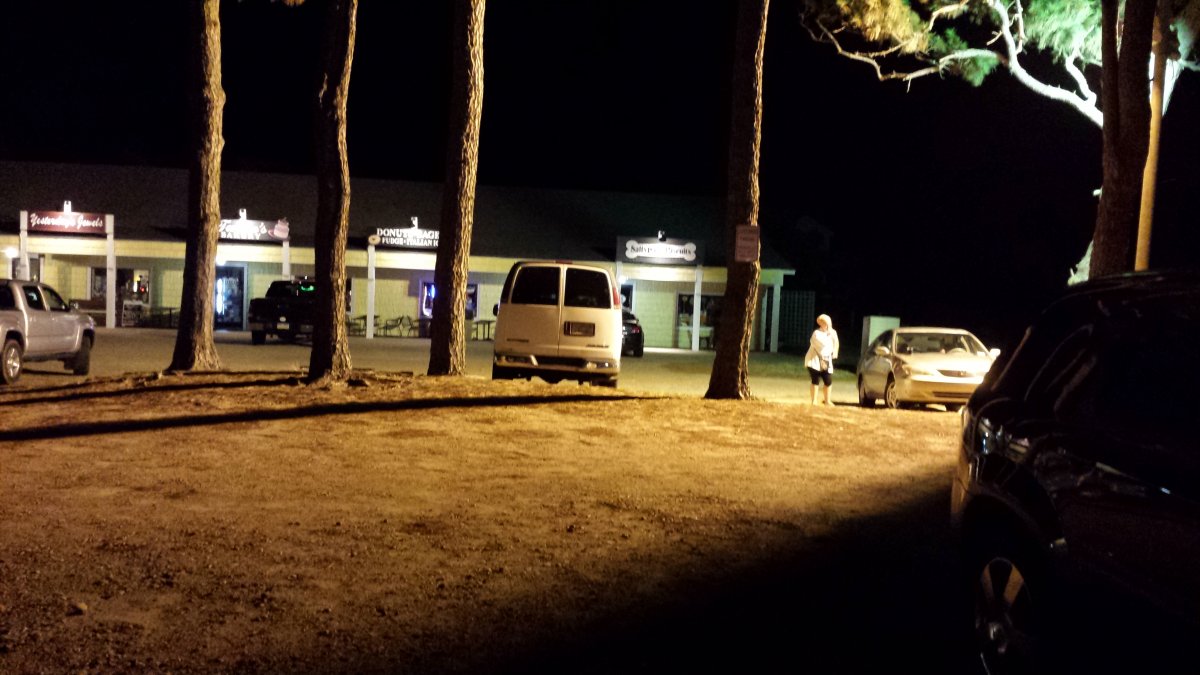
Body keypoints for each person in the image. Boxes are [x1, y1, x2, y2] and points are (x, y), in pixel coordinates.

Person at [804, 313, 839, 405]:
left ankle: (827, 400)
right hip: (814, 360)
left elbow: (836, 343)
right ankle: (814, 400)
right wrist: (829, 335)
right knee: (815, 380)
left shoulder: (833, 333)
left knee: (828, 380)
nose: (826, 324)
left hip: (826, 360)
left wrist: (835, 352)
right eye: (824, 322)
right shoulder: (816, 333)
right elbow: (822, 345)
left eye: (827, 323)